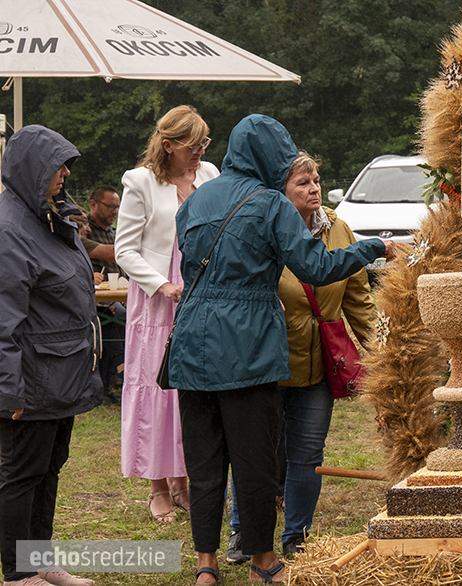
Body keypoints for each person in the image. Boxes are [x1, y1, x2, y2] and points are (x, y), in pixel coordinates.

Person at [168, 114, 395, 584]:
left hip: (191, 343)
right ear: (269, 157)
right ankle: (263, 561)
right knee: (255, 460)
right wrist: (372, 248)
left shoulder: (195, 199)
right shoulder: (271, 203)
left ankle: (206, 563)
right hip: (247, 345)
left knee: (204, 461)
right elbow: (316, 267)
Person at [225, 152, 378, 561]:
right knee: (255, 451)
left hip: (317, 366)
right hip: (266, 362)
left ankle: (297, 536)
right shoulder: (262, 227)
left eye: (316, 181)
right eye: (302, 183)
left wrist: (383, 355)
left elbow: (358, 299)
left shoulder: (338, 229)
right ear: (281, 190)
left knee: (307, 454)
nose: (313, 189)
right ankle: (242, 532)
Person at [0, 125, 102, 586]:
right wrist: (9, 391)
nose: (66, 173)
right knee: (22, 475)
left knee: (47, 470)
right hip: (31, 381)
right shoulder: (9, 230)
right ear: (31, 169)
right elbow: (2, 319)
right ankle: (19, 574)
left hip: (60, 375)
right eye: (57, 164)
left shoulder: (49, 218)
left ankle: (40, 560)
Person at [115, 105, 219, 523]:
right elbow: (125, 250)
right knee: (155, 389)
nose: (200, 151)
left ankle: (182, 481)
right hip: (158, 297)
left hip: (201, 290)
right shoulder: (140, 181)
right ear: (169, 144)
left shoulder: (209, 175)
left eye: (204, 143)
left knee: (191, 390)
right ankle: (157, 487)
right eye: (194, 145)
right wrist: (162, 285)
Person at [82, 185, 126, 405]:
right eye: (110, 207)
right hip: (94, 299)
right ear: (93, 204)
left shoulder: (114, 233)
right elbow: (111, 254)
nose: (114, 212)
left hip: (115, 297)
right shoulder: (83, 232)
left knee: (123, 313)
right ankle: (121, 375)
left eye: (117, 207)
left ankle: (118, 378)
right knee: (119, 315)